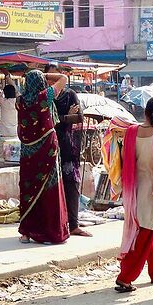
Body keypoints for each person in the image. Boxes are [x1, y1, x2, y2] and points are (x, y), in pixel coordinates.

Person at [111, 98, 153, 292]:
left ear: (145, 112)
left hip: (134, 189)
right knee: (144, 234)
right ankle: (125, 277)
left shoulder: (131, 132)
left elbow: (123, 160)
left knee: (144, 232)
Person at [17, 69, 70, 244]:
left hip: (27, 152)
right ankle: (50, 231)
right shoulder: (45, 96)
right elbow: (64, 78)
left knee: (28, 190)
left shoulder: (20, 101)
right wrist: (47, 77)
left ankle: (26, 232)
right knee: (50, 189)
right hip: (47, 149)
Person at [44, 64, 90, 237]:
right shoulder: (45, 97)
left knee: (72, 185)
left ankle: (73, 224)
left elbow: (79, 117)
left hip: (69, 146)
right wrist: (65, 118)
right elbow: (47, 121)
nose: (53, 81)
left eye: (56, 77)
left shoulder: (70, 94)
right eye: (50, 78)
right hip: (50, 147)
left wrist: (60, 119)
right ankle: (57, 224)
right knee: (53, 188)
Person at [0, 72, 18, 160]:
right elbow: (16, 89)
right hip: (15, 136)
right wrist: (7, 76)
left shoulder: (4, 102)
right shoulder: (19, 101)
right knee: (12, 162)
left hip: (3, 136)